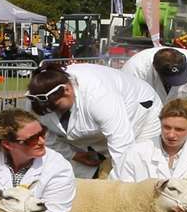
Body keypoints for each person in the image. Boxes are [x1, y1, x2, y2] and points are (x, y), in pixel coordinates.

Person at [26, 60, 161, 180]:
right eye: (47, 111)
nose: (52, 112)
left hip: (141, 113)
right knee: (77, 172)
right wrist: (74, 154)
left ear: (67, 90)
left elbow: (121, 145)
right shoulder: (35, 102)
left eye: (56, 107)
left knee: (140, 166)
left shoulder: (99, 95)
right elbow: (45, 136)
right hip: (95, 130)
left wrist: (122, 191)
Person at [121, 46, 187, 132]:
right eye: (171, 79)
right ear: (155, 68)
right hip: (143, 120)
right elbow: (128, 108)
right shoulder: (135, 69)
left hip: (179, 118)